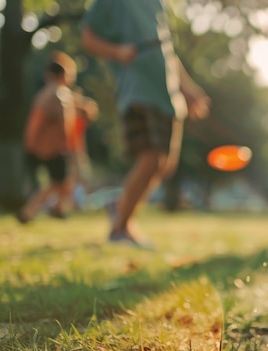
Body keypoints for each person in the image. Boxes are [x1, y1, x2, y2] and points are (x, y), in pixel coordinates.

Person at [80, 0, 211, 248]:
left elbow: (167, 49)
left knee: (165, 165)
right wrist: (118, 52)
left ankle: (121, 208)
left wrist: (187, 87)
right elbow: (87, 38)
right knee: (151, 158)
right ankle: (120, 228)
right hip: (138, 88)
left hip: (167, 93)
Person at [17, 52, 77, 223]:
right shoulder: (58, 94)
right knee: (58, 182)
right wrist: (67, 142)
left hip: (40, 145)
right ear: (63, 75)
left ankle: (57, 208)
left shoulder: (45, 93)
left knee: (60, 181)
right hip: (52, 146)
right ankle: (29, 211)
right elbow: (61, 120)